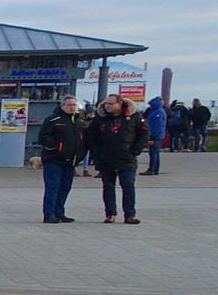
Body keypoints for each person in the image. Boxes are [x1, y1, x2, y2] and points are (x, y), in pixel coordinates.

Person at [84, 95, 147, 224]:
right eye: (107, 103)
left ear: (120, 104)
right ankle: (110, 213)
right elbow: (91, 136)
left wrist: (136, 150)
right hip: (106, 158)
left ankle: (130, 214)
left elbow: (144, 134)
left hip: (127, 158)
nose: (108, 106)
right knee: (108, 186)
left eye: (111, 104)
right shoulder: (100, 118)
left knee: (128, 185)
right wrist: (96, 152)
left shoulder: (134, 116)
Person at [36, 95, 85, 223]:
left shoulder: (79, 122)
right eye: (69, 105)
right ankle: (49, 214)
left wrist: (81, 154)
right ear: (62, 106)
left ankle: (59, 212)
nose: (72, 107)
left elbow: (84, 140)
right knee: (53, 187)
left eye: (74, 105)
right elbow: (43, 137)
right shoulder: (53, 120)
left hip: (70, 161)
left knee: (65, 187)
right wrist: (57, 147)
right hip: (54, 160)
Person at [142, 96, 165, 174]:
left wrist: (152, 137)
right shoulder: (159, 111)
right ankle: (155, 169)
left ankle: (152, 169)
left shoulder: (158, 113)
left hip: (155, 136)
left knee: (153, 153)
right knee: (155, 153)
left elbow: (157, 126)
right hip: (157, 135)